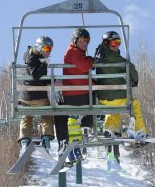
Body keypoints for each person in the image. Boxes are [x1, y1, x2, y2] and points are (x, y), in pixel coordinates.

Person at [95, 31, 147, 161]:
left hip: (102, 100)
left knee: (113, 110)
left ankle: (110, 130)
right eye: (113, 42)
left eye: (118, 42)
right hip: (119, 98)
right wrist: (134, 81)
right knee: (134, 104)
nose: (116, 45)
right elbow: (133, 73)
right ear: (107, 43)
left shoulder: (98, 60)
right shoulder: (120, 61)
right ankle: (139, 133)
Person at [54, 28, 95, 163]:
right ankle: (85, 126)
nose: (85, 43)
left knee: (61, 115)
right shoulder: (73, 52)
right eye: (83, 40)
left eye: (87, 40)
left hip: (74, 94)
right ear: (75, 40)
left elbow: (82, 70)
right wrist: (91, 60)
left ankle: (65, 142)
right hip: (77, 94)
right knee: (62, 114)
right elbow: (84, 67)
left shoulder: (77, 53)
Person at [18, 36, 55, 157]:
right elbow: (35, 74)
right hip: (37, 97)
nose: (48, 51)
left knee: (26, 117)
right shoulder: (33, 58)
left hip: (25, 97)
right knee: (47, 115)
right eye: (46, 48)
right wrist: (44, 66)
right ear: (39, 47)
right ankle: (46, 139)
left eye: (51, 48)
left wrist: (50, 80)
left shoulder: (32, 56)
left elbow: (37, 77)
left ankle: (25, 140)